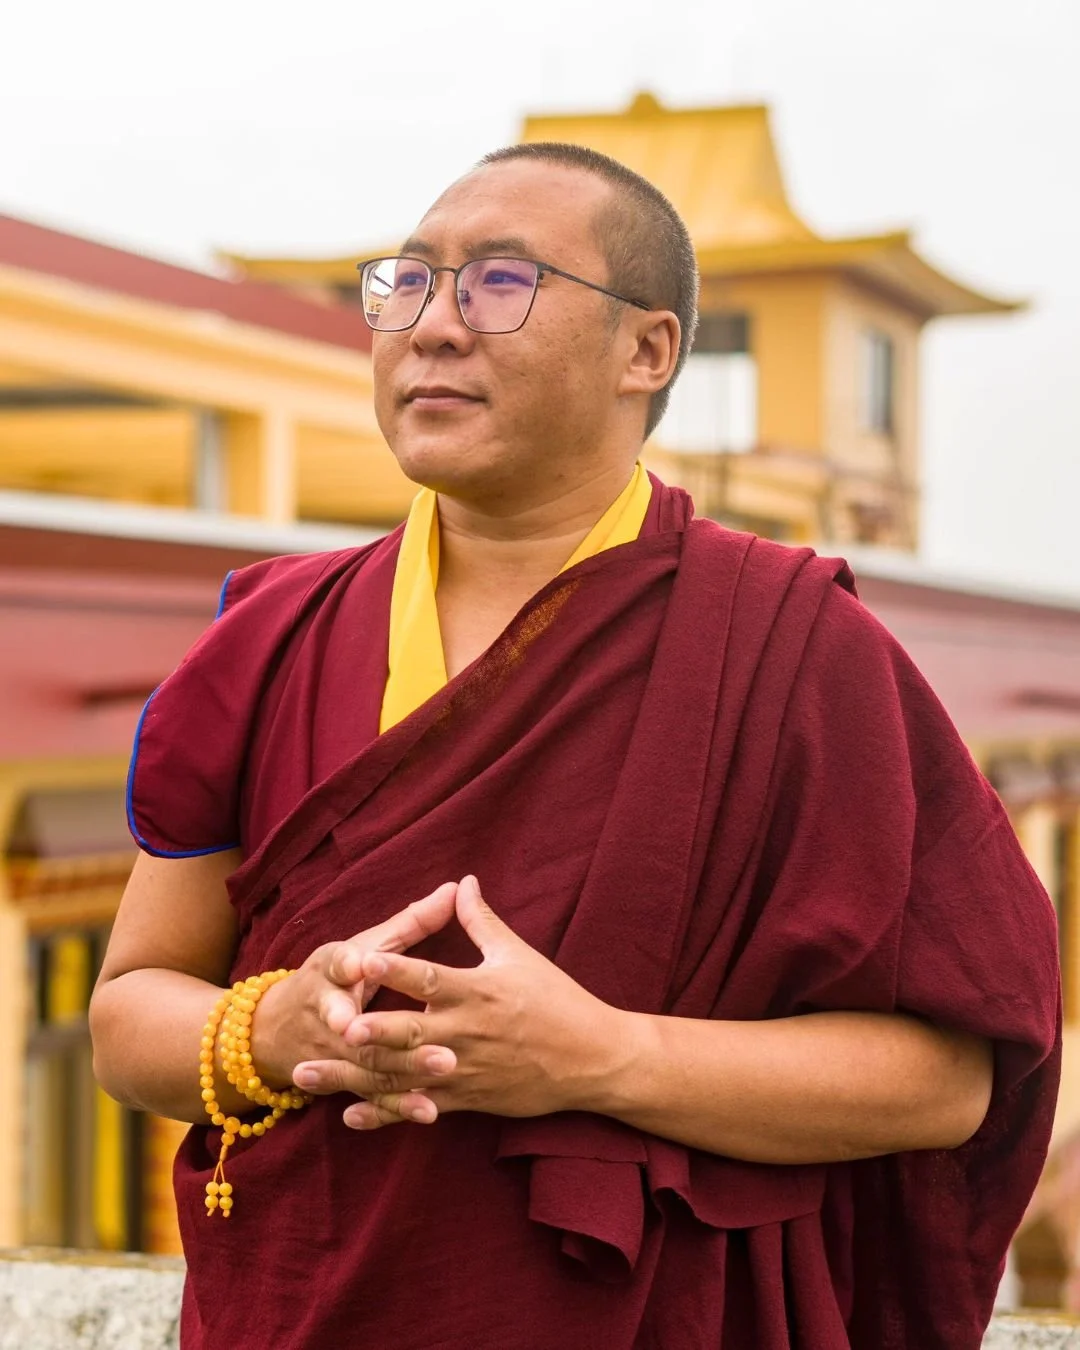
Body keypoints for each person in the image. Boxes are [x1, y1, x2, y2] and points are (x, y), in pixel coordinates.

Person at [90, 143, 1060, 1350]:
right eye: (409, 282)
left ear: (646, 351)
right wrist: (270, 1032)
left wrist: (602, 1059)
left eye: (502, 283)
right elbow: (127, 1013)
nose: (434, 325)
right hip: (299, 1308)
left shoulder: (791, 649)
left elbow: (948, 1082)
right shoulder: (275, 637)